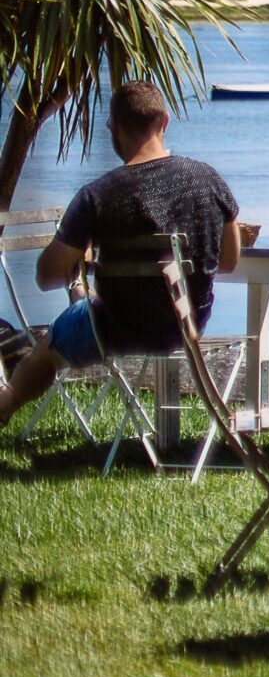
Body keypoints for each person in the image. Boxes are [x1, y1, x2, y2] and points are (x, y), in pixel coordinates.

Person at [0, 82, 240, 433]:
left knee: (53, 342)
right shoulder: (209, 180)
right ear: (165, 122)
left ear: (114, 127)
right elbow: (229, 261)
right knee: (84, 305)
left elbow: (45, 275)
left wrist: (77, 251)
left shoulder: (97, 196)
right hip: (187, 328)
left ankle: (6, 404)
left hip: (112, 331)